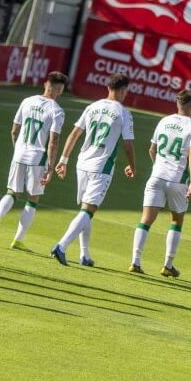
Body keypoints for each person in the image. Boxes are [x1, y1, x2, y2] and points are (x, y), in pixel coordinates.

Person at [50, 73, 136, 266]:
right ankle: (61, 246)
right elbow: (128, 145)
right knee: (88, 210)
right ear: (123, 91)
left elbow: (74, 133)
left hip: (82, 163)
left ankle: (84, 255)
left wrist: (64, 159)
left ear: (108, 88)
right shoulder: (123, 113)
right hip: (102, 166)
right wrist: (132, 165)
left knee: (85, 209)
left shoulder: (92, 107)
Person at [0, 72, 68, 250]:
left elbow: (14, 130)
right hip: (38, 157)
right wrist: (51, 168)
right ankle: (17, 240)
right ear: (60, 90)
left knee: (12, 192)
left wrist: (18, 149)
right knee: (32, 199)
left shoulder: (27, 101)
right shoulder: (57, 111)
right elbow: (53, 141)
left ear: (46, 84)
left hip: (20, 154)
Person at [129, 89, 191, 277]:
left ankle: (135, 261)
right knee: (176, 220)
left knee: (146, 220)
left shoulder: (164, 121)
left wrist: (159, 166)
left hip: (156, 176)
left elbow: (152, 150)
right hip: (177, 180)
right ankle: (168, 265)